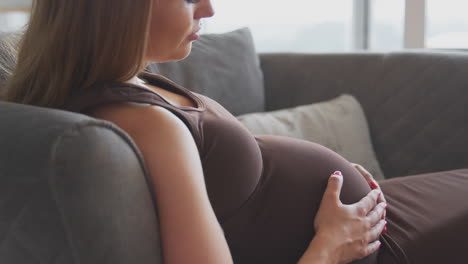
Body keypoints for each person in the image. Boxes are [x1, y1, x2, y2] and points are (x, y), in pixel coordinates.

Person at [3, 0, 468, 263]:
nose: (208, 6)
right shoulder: (144, 123)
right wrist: (330, 247)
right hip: (371, 247)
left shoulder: (129, 83)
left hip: (370, 219)